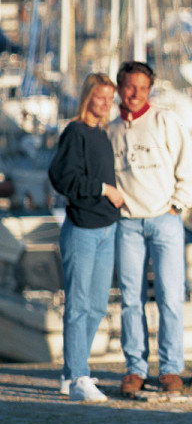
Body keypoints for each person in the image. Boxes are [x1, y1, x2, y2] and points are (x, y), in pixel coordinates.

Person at [108, 60, 192, 395]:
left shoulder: (165, 121)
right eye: (130, 87)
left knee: (170, 296)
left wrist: (178, 205)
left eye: (143, 88)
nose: (136, 94)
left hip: (165, 219)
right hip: (128, 223)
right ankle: (135, 368)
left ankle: (171, 368)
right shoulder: (111, 129)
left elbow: (188, 165)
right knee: (131, 299)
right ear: (120, 88)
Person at [48, 72, 126, 402]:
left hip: (107, 228)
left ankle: (71, 373)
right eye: (99, 97)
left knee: (96, 307)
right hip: (81, 230)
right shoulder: (76, 132)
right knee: (78, 307)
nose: (105, 103)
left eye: (110, 98)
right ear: (87, 97)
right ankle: (80, 377)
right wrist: (104, 189)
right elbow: (62, 178)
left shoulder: (102, 133)